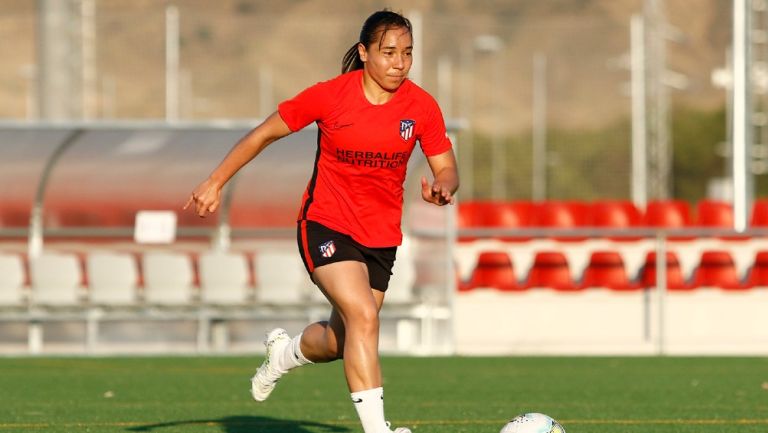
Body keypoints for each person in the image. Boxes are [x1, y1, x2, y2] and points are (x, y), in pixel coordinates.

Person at [184, 9, 458, 433]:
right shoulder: (330, 96)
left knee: (342, 340)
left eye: (407, 53)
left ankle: (283, 354)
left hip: (381, 236)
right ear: (364, 53)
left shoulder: (421, 106)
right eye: (388, 53)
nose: (399, 63)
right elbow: (262, 134)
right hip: (325, 224)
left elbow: (447, 166)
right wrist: (215, 181)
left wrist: (443, 184)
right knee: (365, 317)